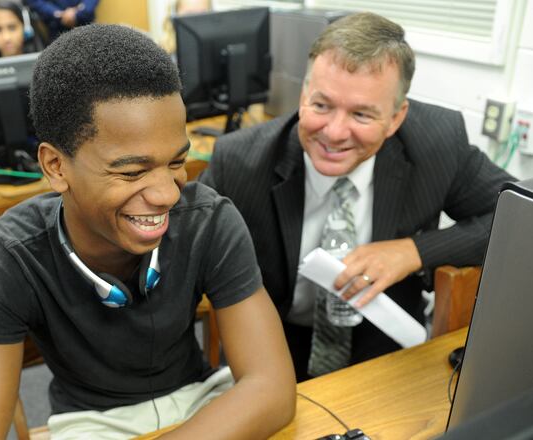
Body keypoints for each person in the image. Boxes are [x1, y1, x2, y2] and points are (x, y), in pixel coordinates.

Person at [0, 24, 295, 439]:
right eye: (132, 172)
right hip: (89, 425)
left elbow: (272, 389)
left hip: (206, 404)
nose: (167, 194)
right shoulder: (9, 256)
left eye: (175, 162)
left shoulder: (210, 220)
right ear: (56, 167)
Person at [200, 12, 516, 382]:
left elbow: (517, 217)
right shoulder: (240, 161)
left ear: (396, 118)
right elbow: (183, 251)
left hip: (387, 351)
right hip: (275, 349)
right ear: (303, 95)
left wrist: (412, 252)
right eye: (321, 106)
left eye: (362, 115)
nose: (334, 133)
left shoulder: (437, 142)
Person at [23, 0, 97, 44]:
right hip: (56, 28)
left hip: (86, 24)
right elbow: (36, 2)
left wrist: (78, 13)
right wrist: (59, 14)